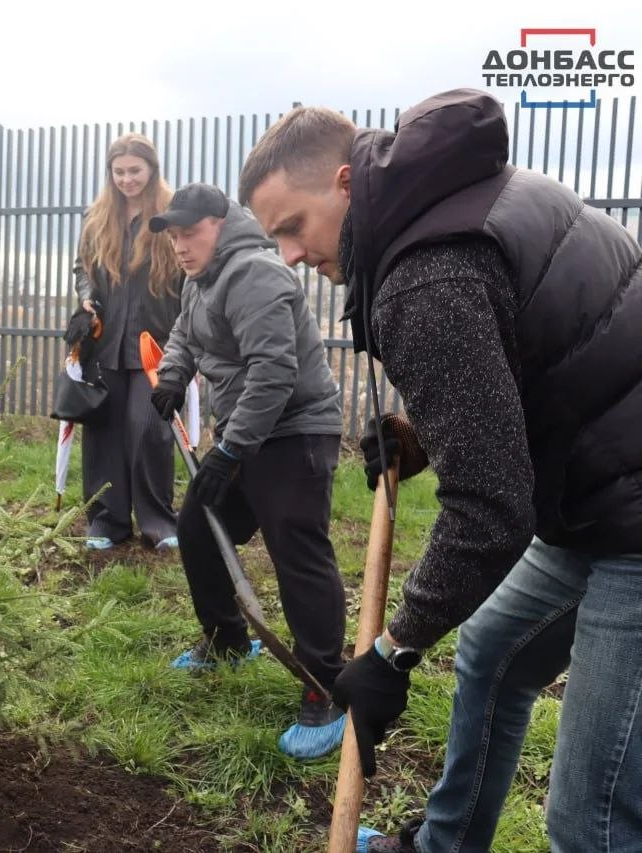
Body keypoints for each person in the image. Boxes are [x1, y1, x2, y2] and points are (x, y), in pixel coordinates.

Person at [240, 88, 642, 852]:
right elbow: (540, 356)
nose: (288, 254)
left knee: (590, 818)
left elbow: (490, 510)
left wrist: (393, 650)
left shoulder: (425, 277)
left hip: (630, 519)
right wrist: (422, 436)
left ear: (345, 185)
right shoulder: (457, 204)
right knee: (493, 652)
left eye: (292, 226)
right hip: (598, 493)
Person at [149, 182, 349, 759]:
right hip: (246, 431)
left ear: (221, 224)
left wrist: (231, 450)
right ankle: (227, 642)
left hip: (294, 433)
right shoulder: (201, 277)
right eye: (174, 237)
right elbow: (185, 335)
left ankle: (325, 688)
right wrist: (172, 375)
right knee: (197, 528)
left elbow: (273, 373)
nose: (180, 247)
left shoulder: (255, 274)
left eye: (190, 234)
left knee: (297, 552)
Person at [67, 133, 185, 551]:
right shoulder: (97, 216)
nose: (127, 179)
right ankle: (106, 521)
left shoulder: (171, 213)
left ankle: (158, 522)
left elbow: (188, 270)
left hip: (156, 342)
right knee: (102, 431)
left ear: (152, 169)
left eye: (135, 170)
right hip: (106, 341)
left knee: (150, 430)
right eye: (119, 172)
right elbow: (82, 268)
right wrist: (86, 295)